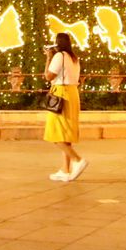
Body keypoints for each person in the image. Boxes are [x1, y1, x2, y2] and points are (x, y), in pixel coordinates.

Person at [43, 34, 85, 181]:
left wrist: (48, 57)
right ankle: (65, 170)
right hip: (72, 93)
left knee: (54, 133)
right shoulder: (74, 58)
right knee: (66, 133)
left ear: (57, 43)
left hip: (61, 94)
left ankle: (78, 160)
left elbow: (48, 76)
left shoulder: (59, 56)